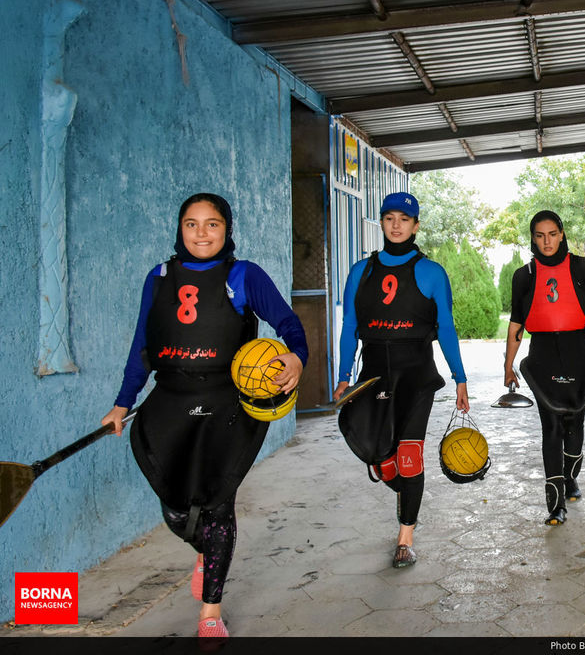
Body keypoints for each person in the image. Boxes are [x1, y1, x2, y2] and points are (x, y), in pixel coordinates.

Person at [101, 193, 307, 639]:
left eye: (212, 224)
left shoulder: (243, 275)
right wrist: (122, 403)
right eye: (191, 224)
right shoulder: (157, 278)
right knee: (176, 509)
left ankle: (210, 614)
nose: (201, 232)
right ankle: (205, 550)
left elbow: (288, 323)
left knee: (217, 504)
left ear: (227, 229)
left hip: (226, 407)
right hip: (170, 400)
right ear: (179, 228)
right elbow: (142, 347)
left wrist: (297, 357)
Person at [333, 191, 468, 568]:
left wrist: (460, 377)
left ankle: (405, 536)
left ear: (416, 225)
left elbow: (446, 329)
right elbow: (349, 329)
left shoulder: (432, 273)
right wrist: (344, 376)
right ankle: (399, 483)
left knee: (409, 456)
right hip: (373, 376)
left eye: (404, 219)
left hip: (417, 376)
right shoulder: (361, 272)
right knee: (381, 456)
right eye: (389, 218)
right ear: (381, 222)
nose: (396, 225)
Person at [504, 210, 585, 525]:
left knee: (574, 425)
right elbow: (516, 326)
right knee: (550, 428)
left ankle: (570, 476)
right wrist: (508, 366)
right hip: (541, 357)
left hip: (580, 354)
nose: (546, 241)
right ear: (533, 238)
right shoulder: (524, 276)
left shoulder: (582, 267)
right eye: (539, 235)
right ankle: (556, 504)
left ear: (562, 234)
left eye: (552, 234)